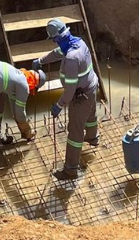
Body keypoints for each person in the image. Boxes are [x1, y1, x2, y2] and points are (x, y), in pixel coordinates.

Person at [32, 19, 99, 180]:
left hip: (80, 95)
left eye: (54, 40)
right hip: (91, 86)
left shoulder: (71, 59)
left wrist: (59, 105)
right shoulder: (77, 43)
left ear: (57, 38)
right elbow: (57, 53)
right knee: (90, 116)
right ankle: (92, 137)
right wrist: (41, 61)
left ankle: (70, 170)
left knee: (75, 132)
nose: (54, 42)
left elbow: (69, 90)